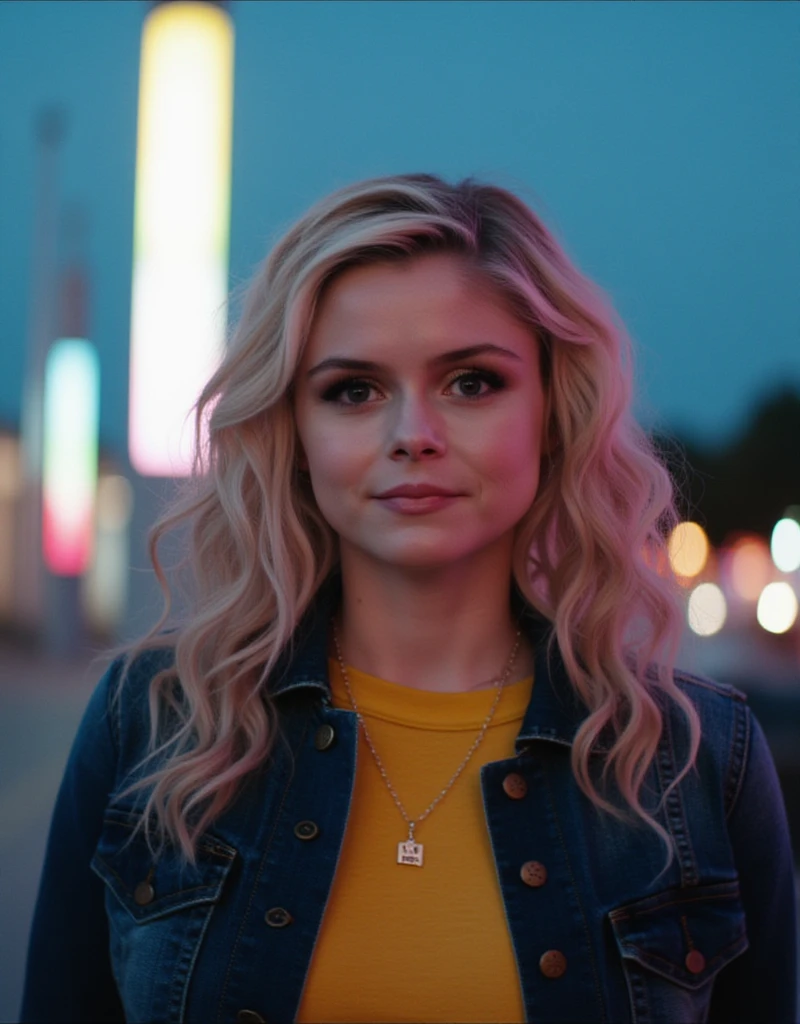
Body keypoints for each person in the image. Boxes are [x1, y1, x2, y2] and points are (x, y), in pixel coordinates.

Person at [21, 174, 797, 1024]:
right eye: (352, 390)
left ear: (551, 414)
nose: (412, 435)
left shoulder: (694, 763)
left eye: (470, 382)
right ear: (295, 434)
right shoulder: (154, 724)